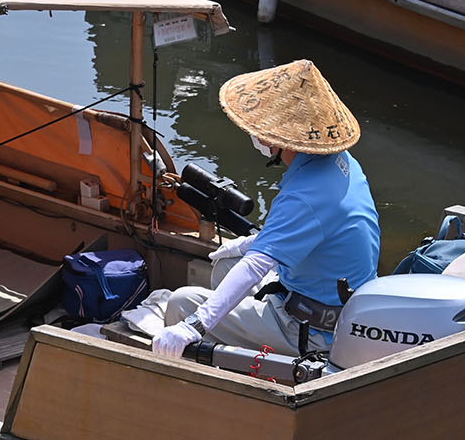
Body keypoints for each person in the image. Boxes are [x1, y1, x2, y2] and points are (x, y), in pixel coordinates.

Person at [155, 59, 379, 358]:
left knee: (181, 303)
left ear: (270, 137)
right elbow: (308, 230)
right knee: (225, 265)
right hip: (338, 301)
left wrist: (193, 325)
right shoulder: (341, 163)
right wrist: (250, 243)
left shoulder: (304, 195)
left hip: (316, 332)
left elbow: (257, 265)